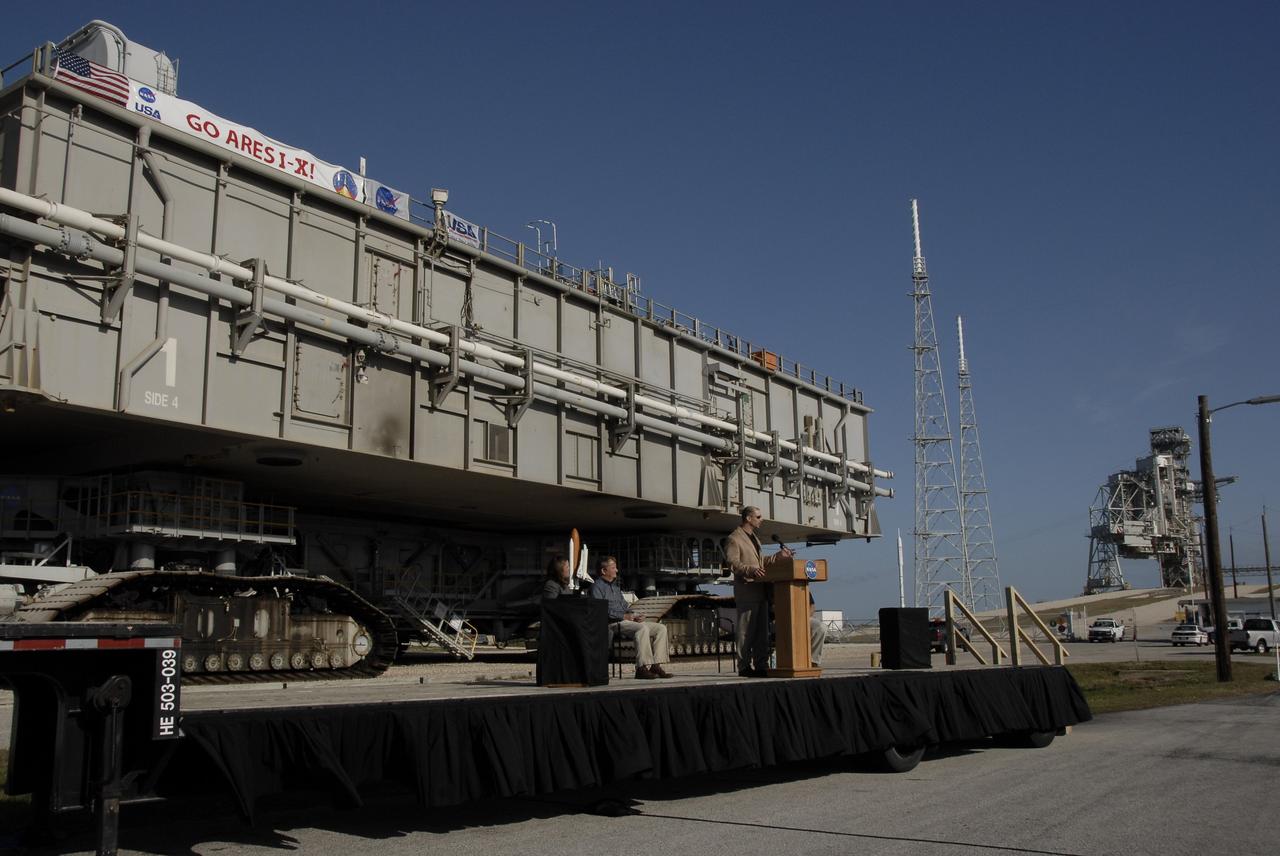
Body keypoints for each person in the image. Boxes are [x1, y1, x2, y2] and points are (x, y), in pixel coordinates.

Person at [589, 556, 672, 679]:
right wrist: (623, 616)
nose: (616, 570)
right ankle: (641, 668)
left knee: (661, 628)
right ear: (603, 571)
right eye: (613, 568)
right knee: (641, 629)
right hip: (612, 623)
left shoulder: (616, 588)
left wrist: (635, 614)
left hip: (625, 621)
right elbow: (601, 610)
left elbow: (624, 606)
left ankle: (656, 665)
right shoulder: (596, 587)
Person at [724, 505, 779, 676]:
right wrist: (750, 570)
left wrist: (778, 557)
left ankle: (761, 665)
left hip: (761, 591)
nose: (761, 519)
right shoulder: (734, 538)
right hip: (747, 591)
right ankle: (744, 666)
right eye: (759, 516)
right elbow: (732, 563)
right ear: (748, 518)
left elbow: (760, 562)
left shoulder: (755, 538)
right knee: (745, 631)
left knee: (762, 632)